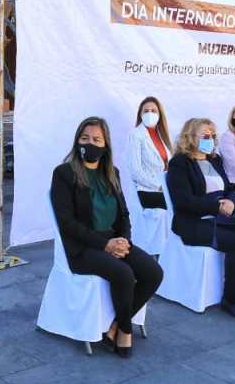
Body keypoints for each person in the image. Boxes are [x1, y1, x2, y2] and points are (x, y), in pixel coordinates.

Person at [50, 117, 162, 356]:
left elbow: (124, 214)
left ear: (105, 145)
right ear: (77, 141)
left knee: (154, 272)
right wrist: (105, 245)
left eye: (96, 139)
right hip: (82, 248)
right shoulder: (64, 173)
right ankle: (125, 332)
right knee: (124, 274)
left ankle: (115, 326)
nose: (90, 144)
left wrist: (123, 241)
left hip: (113, 241)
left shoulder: (112, 173)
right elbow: (67, 224)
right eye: (85, 138)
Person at [167, 118, 235, 320]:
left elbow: (229, 189)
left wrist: (230, 202)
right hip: (193, 222)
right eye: (206, 136)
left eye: (213, 136)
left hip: (221, 218)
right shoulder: (179, 163)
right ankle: (231, 299)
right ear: (190, 136)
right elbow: (183, 201)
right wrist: (216, 206)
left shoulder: (215, 159)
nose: (211, 140)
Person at [126, 96, 172, 209]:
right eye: (146, 111)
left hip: (166, 189)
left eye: (153, 111)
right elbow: (135, 171)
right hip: (149, 191)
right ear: (140, 115)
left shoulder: (163, 136)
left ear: (159, 115)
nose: (149, 114)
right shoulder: (136, 134)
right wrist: (159, 186)